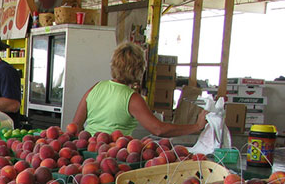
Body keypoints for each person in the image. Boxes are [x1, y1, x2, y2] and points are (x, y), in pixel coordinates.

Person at [72, 42, 207, 137]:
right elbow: (158, 129)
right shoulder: (132, 99)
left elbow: (75, 127)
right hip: (113, 157)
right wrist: (196, 126)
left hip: (88, 154)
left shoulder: (95, 88)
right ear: (139, 70)